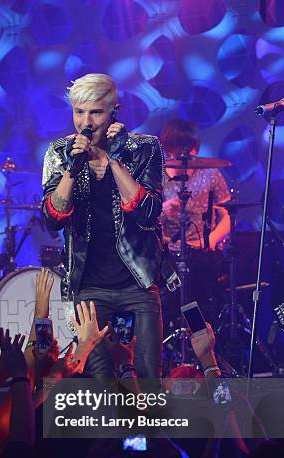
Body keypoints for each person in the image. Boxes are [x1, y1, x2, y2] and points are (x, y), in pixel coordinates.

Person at [42, 73, 164, 378]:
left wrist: (114, 159)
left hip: (136, 285)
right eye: (79, 112)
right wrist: (73, 169)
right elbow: (51, 220)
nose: (86, 122)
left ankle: (147, 427)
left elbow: (148, 214)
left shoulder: (145, 148)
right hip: (89, 290)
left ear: (113, 112)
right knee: (104, 386)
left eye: (95, 112)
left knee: (145, 382)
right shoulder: (59, 152)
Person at [159, 119, 231, 330]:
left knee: (204, 302)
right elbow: (141, 217)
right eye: (175, 151)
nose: (182, 156)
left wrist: (210, 239)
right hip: (165, 252)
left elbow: (228, 215)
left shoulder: (210, 173)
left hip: (201, 250)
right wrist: (162, 209)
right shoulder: (156, 175)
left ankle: (205, 339)